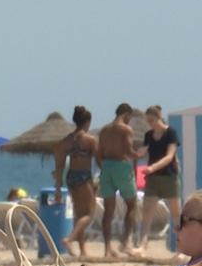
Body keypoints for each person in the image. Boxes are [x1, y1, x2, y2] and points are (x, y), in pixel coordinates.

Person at [52, 106, 99, 256]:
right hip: (84, 177)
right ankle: (70, 239)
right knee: (89, 214)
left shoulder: (66, 141)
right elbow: (100, 162)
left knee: (79, 215)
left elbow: (59, 167)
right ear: (87, 122)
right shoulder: (90, 140)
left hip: (71, 177)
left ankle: (82, 251)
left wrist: (58, 189)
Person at [133, 105, 181, 255]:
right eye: (148, 121)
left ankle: (182, 249)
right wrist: (137, 153)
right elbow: (145, 150)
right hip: (153, 179)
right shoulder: (148, 135)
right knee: (147, 214)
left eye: (152, 120)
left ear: (159, 117)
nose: (150, 123)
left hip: (169, 177)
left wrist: (152, 167)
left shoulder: (170, 133)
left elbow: (169, 156)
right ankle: (142, 246)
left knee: (176, 215)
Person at [98, 103, 140, 257]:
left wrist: (105, 167)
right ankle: (125, 242)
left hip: (106, 166)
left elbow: (100, 153)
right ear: (126, 114)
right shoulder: (125, 129)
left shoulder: (104, 130)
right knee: (132, 205)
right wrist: (139, 154)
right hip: (121, 166)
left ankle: (107, 249)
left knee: (108, 210)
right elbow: (129, 151)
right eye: (130, 117)